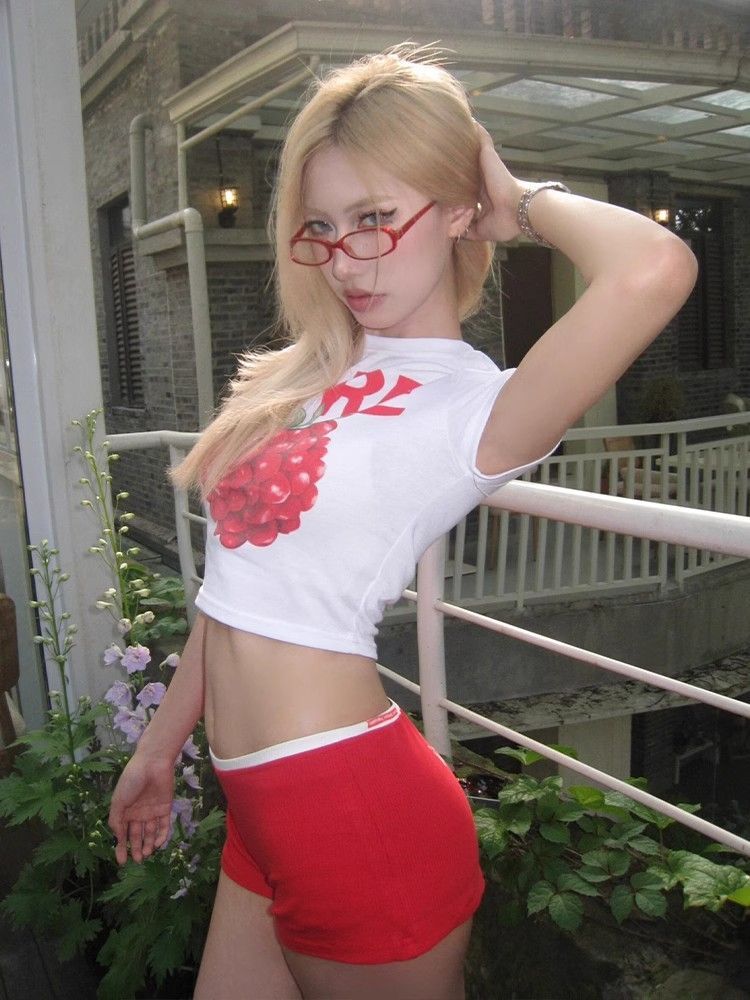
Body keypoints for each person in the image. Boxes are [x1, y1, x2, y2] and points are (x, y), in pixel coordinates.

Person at [107, 44, 697, 1000]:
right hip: (260, 812)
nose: (347, 259)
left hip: (355, 821)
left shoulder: (476, 408)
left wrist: (515, 200)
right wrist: (159, 746)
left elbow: (655, 269)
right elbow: (238, 589)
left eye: (377, 219)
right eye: (324, 227)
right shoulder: (311, 373)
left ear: (457, 209)